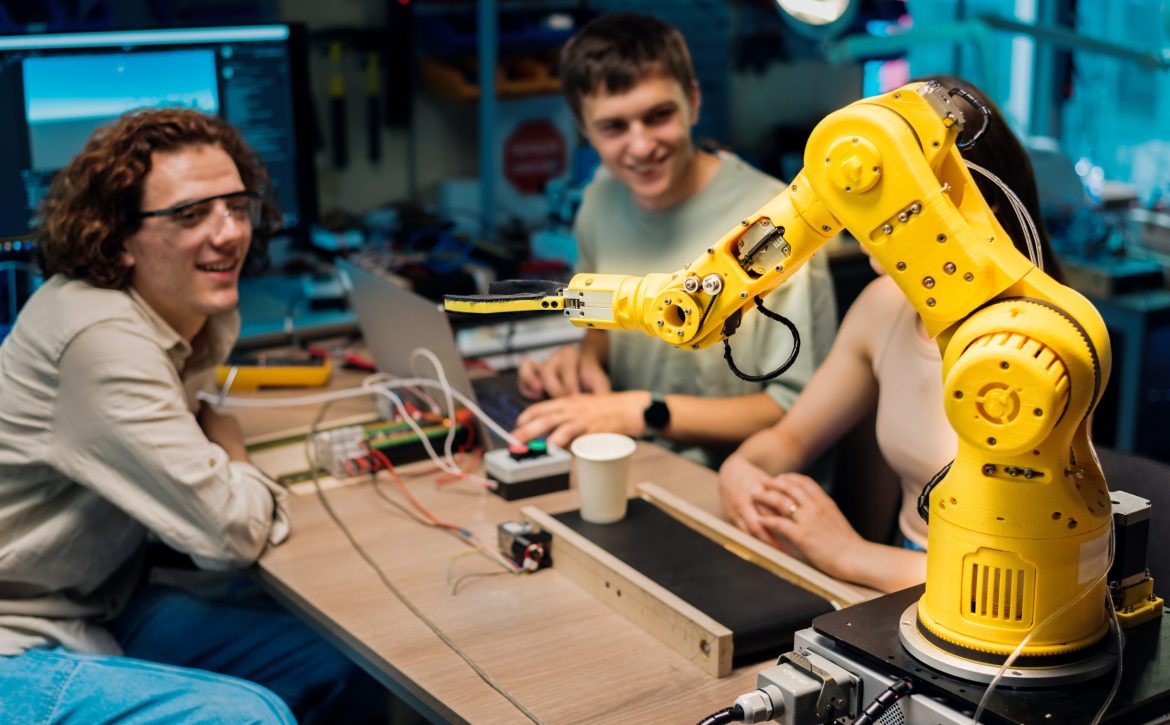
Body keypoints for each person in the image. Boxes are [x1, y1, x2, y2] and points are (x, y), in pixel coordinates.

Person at [0, 108, 386, 723]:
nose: (229, 232)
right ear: (118, 235)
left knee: (349, 662)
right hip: (16, 638)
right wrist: (229, 447)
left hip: (96, 603)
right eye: (190, 214)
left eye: (237, 206)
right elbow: (228, 535)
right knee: (249, 716)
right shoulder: (99, 339)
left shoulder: (185, 312)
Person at [718, 76, 1065, 593]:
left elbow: (1014, 585)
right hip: (895, 584)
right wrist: (742, 473)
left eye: (900, 215)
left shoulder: (1036, 349)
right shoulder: (886, 306)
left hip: (984, 608)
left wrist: (846, 553)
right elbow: (789, 438)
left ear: (977, 218)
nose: (870, 235)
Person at [513, 12, 838, 469]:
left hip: (738, 484)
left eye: (658, 116)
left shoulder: (776, 225)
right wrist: (581, 361)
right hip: (633, 461)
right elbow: (601, 322)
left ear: (693, 101)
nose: (642, 145)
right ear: (585, 132)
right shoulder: (599, 202)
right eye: (614, 127)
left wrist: (642, 411)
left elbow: (798, 411)